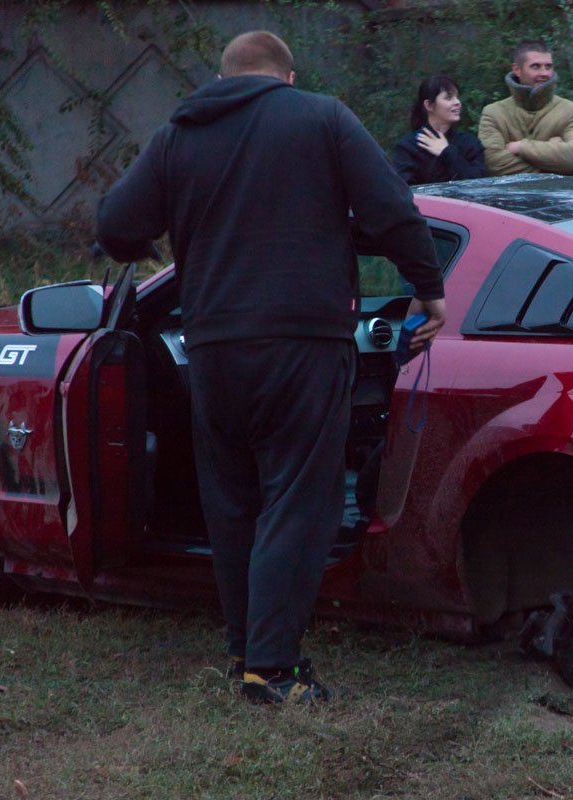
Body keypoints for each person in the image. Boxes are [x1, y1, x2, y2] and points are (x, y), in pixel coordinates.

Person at [95, 31, 446, 705]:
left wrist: (159, 232)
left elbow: (115, 225)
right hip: (301, 345)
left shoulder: (178, 135)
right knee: (298, 499)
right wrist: (427, 285)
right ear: (285, 76)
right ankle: (272, 669)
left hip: (213, 349)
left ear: (225, 79)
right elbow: (390, 209)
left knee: (232, 502)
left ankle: (245, 647)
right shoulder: (320, 116)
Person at [478, 39, 573, 176]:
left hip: (558, 196)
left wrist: (520, 147)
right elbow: (493, 163)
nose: (544, 73)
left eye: (548, 67)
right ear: (517, 70)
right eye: (536, 66)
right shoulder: (494, 113)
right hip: (509, 196)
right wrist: (555, 158)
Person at [392, 75, 486, 186]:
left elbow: (478, 185)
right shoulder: (408, 146)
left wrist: (448, 152)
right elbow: (404, 191)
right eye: (448, 97)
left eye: (457, 96)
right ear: (429, 105)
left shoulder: (470, 143)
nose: (457, 102)